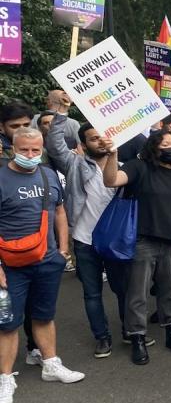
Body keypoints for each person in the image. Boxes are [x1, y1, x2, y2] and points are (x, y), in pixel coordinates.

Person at [0, 128, 83, 403]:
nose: (30, 155)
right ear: (13, 148)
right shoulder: (1, 178)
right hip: (9, 265)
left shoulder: (48, 174)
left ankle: (50, 363)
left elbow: (59, 211)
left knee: (44, 315)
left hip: (47, 260)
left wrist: (63, 249)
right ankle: (5, 378)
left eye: (36, 150)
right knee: (8, 323)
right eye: (24, 150)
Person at [45, 115, 132, 357]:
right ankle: (102, 337)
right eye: (93, 139)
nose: (100, 142)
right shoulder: (74, 164)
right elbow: (54, 145)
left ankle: (130, 330)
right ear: (83, 145)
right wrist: (61, 113)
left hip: (115, 242)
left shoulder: (124, 167)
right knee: (92, 294)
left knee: (123, 290)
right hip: (84, 241)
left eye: (103, 137)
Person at [100, 130, 171, 365]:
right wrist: (112, 155)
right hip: (142, 241)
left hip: (168, 240)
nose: (170, 148)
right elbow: (110, 181)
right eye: (164, 144)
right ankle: (137, 338)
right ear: (153, 147)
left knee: (169, 290)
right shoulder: (138, 167)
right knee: (137, 293)